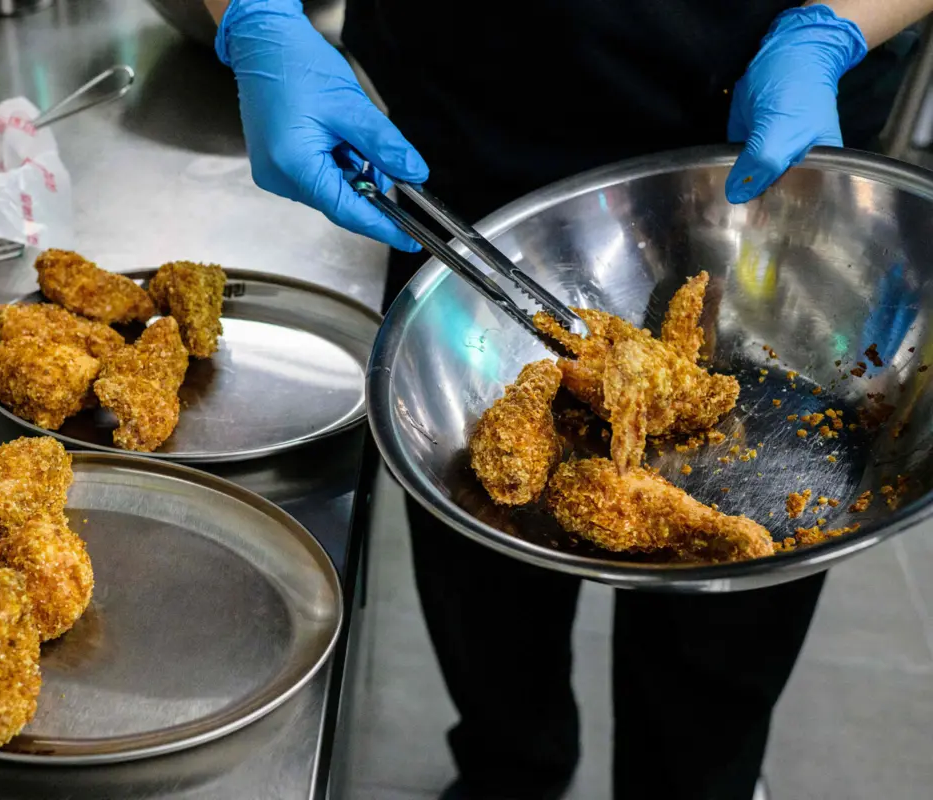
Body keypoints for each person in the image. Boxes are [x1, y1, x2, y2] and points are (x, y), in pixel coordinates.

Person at [204, 2, 930, 798]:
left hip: (758, 130)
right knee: (483, 570)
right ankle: (510, 768)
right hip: (467, 121)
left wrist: (839, 24)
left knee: (725, 642)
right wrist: (253, 17)